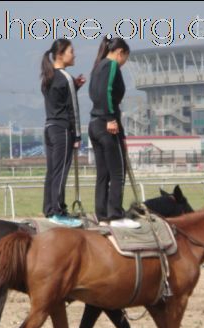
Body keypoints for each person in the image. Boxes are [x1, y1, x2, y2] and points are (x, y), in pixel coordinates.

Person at [88, 36, 140, 229]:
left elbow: (96, 94)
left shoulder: (98, 66)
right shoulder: (110, 66)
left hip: (94, 124)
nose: (124, 63)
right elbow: (106, 92)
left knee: (103, 173)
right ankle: (116, 215)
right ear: (120, 52)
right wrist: (110, 118)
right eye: (125, 58)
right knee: (118, 172)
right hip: (106, 123)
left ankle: (102, 215)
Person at [41, 39, 86, 227]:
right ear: (60, 54)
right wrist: (77, 136)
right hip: (63, 130)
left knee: (52, 171)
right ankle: (59, 211)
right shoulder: (65, 77)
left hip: (49, 127)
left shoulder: (48, 76)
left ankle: (50, 209)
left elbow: (58, 100)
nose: (74, 55)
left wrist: (74, 87)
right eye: (71, 51)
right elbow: (73, 109)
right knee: (61, 172)